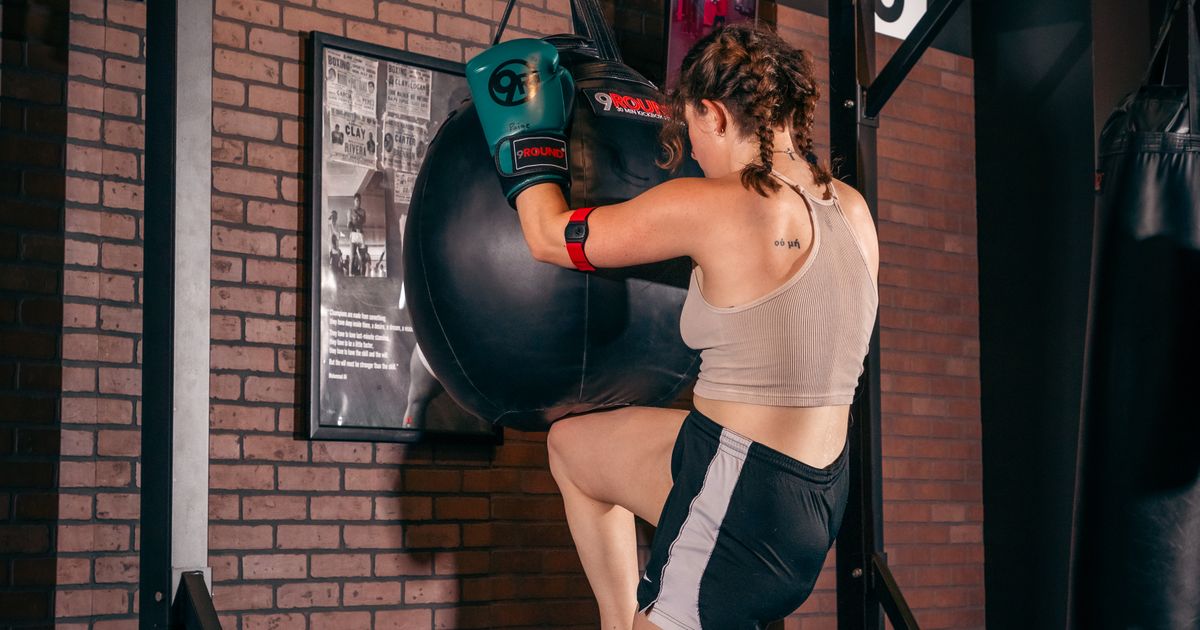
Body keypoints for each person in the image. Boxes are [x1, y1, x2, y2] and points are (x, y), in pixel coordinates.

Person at [466, 24, 879, 629]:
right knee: (574, 450)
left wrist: (525, 137)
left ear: (712, 114)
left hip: (740, 499)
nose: (692, 151)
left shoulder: (716, 203)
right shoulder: (853, 209)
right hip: (814, 498)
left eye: (689, 131)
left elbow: (549, 236)